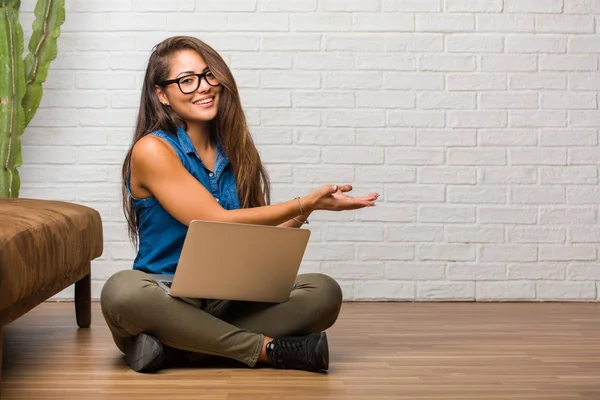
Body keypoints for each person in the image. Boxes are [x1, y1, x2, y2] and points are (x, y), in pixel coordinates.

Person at [100, 36, 379, 374]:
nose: (203, 87)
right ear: (163, 94)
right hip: (166, 298)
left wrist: (309, 209)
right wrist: (300, 201)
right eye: (187, 81)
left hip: (229, 301)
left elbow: (256, 238)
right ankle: (267, 350)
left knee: (323, 291)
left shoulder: (235, 150)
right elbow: (214, 220)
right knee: (122, 292)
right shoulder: (152, 150)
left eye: (208, 75)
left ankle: (179, 348)